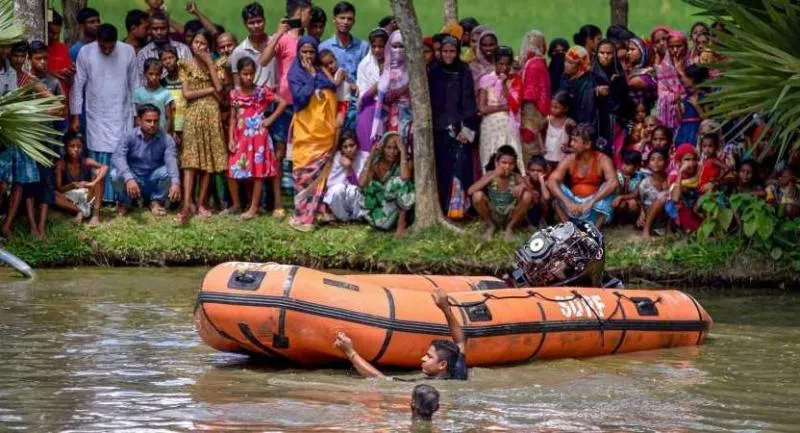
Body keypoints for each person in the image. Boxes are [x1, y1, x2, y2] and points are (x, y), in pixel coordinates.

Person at [333, 288, 468, 381]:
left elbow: (381, 380)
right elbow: (460, 341)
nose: (423, 358)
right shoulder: (458, 370)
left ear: (442, 365)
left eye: (429, 357)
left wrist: (350, 352)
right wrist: (445, 308)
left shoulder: (428, 386)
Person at [70, 24, 136, 204]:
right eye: (103, 46)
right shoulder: (86, 52)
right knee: (98, 150)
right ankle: (100, 198)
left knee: (121, 150)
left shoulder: (128, 51)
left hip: (121, 111)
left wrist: (136, 114)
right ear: (97, 40)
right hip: (96, 113)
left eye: (111, 46)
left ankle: (121, 198)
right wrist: (75, 115)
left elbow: (134, 85)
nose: (107, 50)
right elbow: (78, 86)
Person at [258, 0, 313, 216]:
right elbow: (263, 60)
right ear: (299, 13)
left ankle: (302, 202)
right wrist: (279, 34)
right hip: (284, 104)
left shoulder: (307, 40)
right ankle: (278, 203)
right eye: (308, 12)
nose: (309, 16)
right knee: (279, 153)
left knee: (304, 152)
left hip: (304, 104)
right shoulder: (282, 38)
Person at [226, 57, 288, 220]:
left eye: (251, 74)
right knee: (233, 170)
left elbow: (282, 103)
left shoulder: (261, 91)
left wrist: (269, 119)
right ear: (238, 74)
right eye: (245, 74)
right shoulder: (234, 94)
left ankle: (254, 208)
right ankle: (237, 204)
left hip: (258, 137)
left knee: (258, 173)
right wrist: (231, 138)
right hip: (240, 136)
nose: (248, 77)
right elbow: (233, 117)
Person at [287, 36, 338, 232]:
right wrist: (310, 76)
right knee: (303, 174)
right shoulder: (295, 74)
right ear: (299, 52)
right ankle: (303, 217)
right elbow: (299, 98)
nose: (307, 56)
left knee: (321, 176)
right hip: (306, 133)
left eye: (311, 52)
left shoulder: (322, 73)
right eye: (304, 52)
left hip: (324, 133)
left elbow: (332, 89)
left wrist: (315, 75)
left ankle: (318, 213)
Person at [177, 29, 227, 224]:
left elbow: (221, 88)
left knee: (208, 163)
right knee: (190, 161)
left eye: (203, 44)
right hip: (193, 115)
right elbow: (187, 94)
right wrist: (209, 90)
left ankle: (201, 204)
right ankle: (187, 204)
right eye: (196, 42)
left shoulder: (217, 64)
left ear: (209, 47)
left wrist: (209, 63)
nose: (199, 46)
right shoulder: (185, 65)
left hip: (212, 115)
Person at [429, 36, 477, 219]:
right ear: (440, 52)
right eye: (445, 51)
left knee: (460, 168)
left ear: (457, 52)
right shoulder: (434, 72)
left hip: (460, 131)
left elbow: (469, 100)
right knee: (443, 169)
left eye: (452, 51)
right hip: (440, 131)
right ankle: (442, 209)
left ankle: (458, 210)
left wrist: (467, 128)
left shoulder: (463, 71)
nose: (448, 55)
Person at [28, 41, 67, 239]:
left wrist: (34, 112)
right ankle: (32, 225)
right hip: (27, 141)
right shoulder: (25, 81)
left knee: (46, 183)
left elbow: (61, 110)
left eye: (45, 58)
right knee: (26, 184)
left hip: (48, 141)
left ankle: (41, 227)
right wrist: (47, 111)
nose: (42, 62)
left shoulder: (53, 82)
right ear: (30, 59)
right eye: (38, 58)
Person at [112, 104, 181, 216]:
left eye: (156, 121)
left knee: (169, 172)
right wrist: (129, 178)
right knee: (115, 174)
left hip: (152, 179)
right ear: (139, 120)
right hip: (134, 177)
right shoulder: (128, 136)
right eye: (148, 121)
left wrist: (175, 182)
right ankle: (125, 202)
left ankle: (156, 201)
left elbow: (171, 160)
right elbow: (118, 157)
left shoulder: (166, 139)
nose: (152, 124)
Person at [548, 123, 619, 228]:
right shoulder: (569, 159)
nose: (571, 144)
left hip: (594, 206)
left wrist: (590, 202)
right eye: (571, 140)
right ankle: (568, 227)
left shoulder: (603, 159)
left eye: (575, 141)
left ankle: (595, 229)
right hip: (573, 206)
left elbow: (613, 183)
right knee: (552, 184)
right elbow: (552, 181)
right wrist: (568, 202)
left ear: (587, 145)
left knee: (611, 186)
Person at [469, 145, 534, 241]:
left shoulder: (516, 176)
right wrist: (493, 175)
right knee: (477, 195)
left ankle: (510, 228)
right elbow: (471, 191)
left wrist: (523, 186)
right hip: (493, 214)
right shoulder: (490, 174)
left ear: (515, 164)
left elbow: (532, 194)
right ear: (496, 163)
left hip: (511, 215)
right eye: (504, 163)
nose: (507, 166)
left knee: (527, 195)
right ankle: (491, 226)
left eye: (511, 163)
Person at [359, 132, 415, 237]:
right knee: (369, 185)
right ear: (382, 148)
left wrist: (403, 151)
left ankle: (401, 224)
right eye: (388, 148)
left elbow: (405, 178)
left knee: (401, 182)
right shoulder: (376, 163)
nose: (392, 152)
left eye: (396, 148)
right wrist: (370, 157)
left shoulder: (405, 162)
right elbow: (362, 184)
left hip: (395, 207)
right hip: (379, 212)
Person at [478, 46, 523, 172]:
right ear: (495, 63)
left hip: (508, 125)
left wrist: (503, 84)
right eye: (500, 64)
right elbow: (482, 108)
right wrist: (502, 107)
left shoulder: (516, 80)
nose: (504, 68)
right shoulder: (486, 80)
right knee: (491, 157)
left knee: (510, 156)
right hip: (490, 126)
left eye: (507, 64)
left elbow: (514, 104)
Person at [55, 132, 108, 226]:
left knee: (98, 174)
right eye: (72, 146)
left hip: (86, 197)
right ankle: (80, 211)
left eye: (79, 146)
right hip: (71, 200)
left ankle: (95, 215)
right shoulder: (61, 164)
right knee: (53, 194)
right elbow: (59, 188)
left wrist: (92, 183)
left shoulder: (85, 161)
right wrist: (72, 185)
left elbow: (105, 167)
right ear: (66, 148)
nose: (76, 149)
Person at [370, 30, 412, 148]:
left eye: (401, 46)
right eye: (394, 46)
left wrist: (403, 90)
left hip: (409, 116)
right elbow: (383, 93)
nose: (398, 50)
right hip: (389, 115)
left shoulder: (413, 68)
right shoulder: (387, 68)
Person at [592, 39, 628, 158]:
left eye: (609, 53)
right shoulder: (590, 74)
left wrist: (615, 85)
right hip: (595, 120)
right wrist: (596, 91)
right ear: (597, 54)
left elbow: (624, 100)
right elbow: (583, 95)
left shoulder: (618, 74)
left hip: (615, 122)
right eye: (602, 53)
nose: (605, 56)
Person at [355, 28, 389, 153]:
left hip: (392, 112)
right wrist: (378, 85)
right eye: (374, 46)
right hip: (369, 111)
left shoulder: (396, 64)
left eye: (381, 46)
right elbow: (362, 96)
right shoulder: (365, 65)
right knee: (368, 152)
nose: (377, 50)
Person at [135, 11, 192, 86]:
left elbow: (191, 77)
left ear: (168, 28)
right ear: (150, 30)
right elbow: (141, 83)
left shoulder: (183, 49)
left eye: (162, 28)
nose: (159, 32)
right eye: (155, 29)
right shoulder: (143, 54)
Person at [519, 30, 551, 162]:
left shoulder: (533, 64)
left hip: (531, 115)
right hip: (539, 113)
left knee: (530, 148)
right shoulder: (539, 62)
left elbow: (530, 96)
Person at [319, 1, 369, 81]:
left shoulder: (363, 47)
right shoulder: (324, 47)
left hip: (358, 92)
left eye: (349, 19)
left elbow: (367, 74)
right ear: (334, 20)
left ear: (353, 22)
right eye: (342, 18)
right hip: (333, 91)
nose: (345, 22)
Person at [230, 3, 275, 90]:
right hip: (253, 101)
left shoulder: (276, 44)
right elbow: (237, 85)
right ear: (245, 24)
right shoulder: (239, 51)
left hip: (278, 98)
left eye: (259, 21)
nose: (256, 26)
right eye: (251, 23)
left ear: (264, 20)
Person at [324, 131, 366, 222]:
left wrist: (350, 168)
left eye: (352, 145)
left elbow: (360, 185)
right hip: (340, 196)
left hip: (355, 194)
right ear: (341, 149)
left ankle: (358, 217)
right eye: (345, 147)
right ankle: (344, 219)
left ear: (357, 145)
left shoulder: (363, 157)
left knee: (355, 191)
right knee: (338, 190)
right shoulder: (336, 158)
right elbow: (331, 186)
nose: (349, 149)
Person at [665, 143, 703, 232]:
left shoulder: (700, 170)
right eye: (687, 159)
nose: (691, 163)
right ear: (679, 161)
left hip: (696, 206)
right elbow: (675, 198)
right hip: (681, 206)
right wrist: (680, 173)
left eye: (694, 159)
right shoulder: (674, 174)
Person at [559, 46, 597, 132]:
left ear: (580, 65)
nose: (566, 64)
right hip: (563, 124)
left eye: (571, 63)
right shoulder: (565, 77)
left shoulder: (587, 83)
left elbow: (586, 111)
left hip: (577, 128)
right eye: (565, 60)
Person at [133, 58, 174, 134]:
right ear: (145, 74)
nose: (154, 77)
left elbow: (168, 117)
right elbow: (137, 117)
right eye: (151, 74)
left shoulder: (165, 93)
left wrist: (165, 134)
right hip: (143, 134)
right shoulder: (138, 93)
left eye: (157, 74)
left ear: (161, 74)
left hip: (160, 133)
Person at [656, 31, 687, 130]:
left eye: (678, 46)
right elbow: (662, 93)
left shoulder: (691, 64)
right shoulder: (663, 68)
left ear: (685, 46)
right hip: (670, 114)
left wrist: (680, 71)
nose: (675, 50)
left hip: (690, 109)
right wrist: (674, 96)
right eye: (671, 47)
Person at [674, 65, 709, 148]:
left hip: (696, 131)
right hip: (684, 132)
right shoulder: (686, 98)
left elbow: (707, 118)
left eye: (685, 77)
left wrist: (697, 106)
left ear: (692, 79)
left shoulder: (704, 96)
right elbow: (680, 119)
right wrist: (678, 103)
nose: (682, 80)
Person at [639, 148, 669, 239]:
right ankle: (646, 230)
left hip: (664, 216)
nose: (656, 162)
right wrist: (641, 213)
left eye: (660, 159)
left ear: (666, 162)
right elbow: (641, 201)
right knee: (661, 198)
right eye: (652, 159)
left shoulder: (669, 180)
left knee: (665, 197)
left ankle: (669, 229)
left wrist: (668, 188)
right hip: (649, 216)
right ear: (648, 164)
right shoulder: (645, 182)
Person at [159, 47, 186, 148]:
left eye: (171, 57)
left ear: (177, 59)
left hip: (186, 124)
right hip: (169, 126)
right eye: (164, 59)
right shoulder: (162, 83)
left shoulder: (185, 80)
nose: (168, 61)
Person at [544, 91, 575, 171]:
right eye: (552, 107)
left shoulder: (569, 123)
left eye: (556, 107)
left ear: (565, 109)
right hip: (548, 156)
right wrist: (542, 147)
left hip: (562, 158)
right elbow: (538, 132)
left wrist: (570, 149)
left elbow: (576, 137)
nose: (552, 109)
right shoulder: (548, 119)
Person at [612, 151, 645, 223]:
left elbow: (635, 194)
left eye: (627, 165)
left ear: (636, 167)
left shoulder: (640, 176)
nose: (624, 167)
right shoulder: (617, 174)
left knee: (632, 203)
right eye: (623, 163)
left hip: (632, 199)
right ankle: (618, 220)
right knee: (621, 204)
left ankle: (631, 220)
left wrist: (621, 197)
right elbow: (617, 191)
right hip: (618, 199)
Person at [626, 37, 656, 113]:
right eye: (628, 50)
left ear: (643, 51)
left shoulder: (649, 71)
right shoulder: (629, 69)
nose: (629, 52)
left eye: (632, 49)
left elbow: (632, 83)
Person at [524, 156, 552, 226]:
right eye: (532, 170)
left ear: (544, 172)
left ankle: (543, 220)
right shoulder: (525, 180)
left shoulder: (546, 182)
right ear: (528, 170)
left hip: (543, 210)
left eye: (539, 171)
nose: (535, 173)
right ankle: (528, 224)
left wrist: (542, 182)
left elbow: (546, 197)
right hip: (529, 209)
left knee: (543, 199)